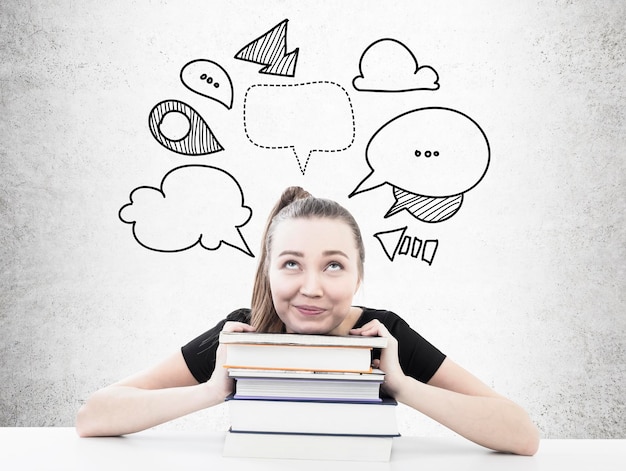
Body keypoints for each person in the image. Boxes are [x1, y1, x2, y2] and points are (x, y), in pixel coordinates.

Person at [76, 186, 540, 455]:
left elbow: (522, 434)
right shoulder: (244, 332)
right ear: (269, 270)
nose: (312, 287)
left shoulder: (384, 336)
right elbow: (94, 415)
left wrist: (401, 384)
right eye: (292, 264)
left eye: (333, 265)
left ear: (359, 274)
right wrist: (214, 389)